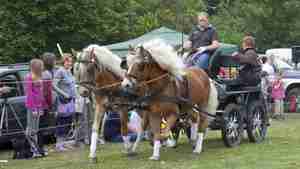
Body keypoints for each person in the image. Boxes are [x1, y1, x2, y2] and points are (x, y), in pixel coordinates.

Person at [24, 59, 49, 158]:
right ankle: (34, 150)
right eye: (41, 66)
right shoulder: (29, 77)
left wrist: (41, 107)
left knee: (36, 129)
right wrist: (34, 108)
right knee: (31, 130)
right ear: (37, 67)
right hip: (32, 107)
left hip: (39, 106)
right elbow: (29, 94)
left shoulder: (39, 77)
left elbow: (40, 93)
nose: (43, 68)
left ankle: (36, 150)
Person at [54, 53, 76, 152]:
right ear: (64, 61)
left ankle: (63, 143)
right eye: (68, 61)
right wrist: (64, 94)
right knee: (62, 121)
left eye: (71, 61)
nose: (70, 63)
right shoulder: (60, 71)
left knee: (68, 122)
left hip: (71, 100)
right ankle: (59, 145)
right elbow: (53, 85)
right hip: (63, 101)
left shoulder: (69, 71)